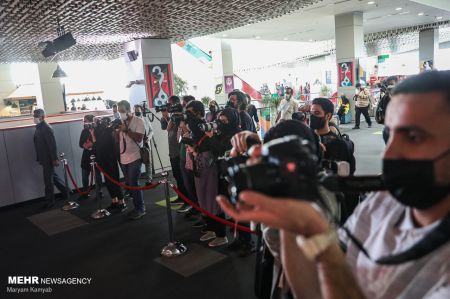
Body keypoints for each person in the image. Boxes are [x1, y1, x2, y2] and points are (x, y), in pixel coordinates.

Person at [218, 70, 450, 299]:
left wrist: (320, 241)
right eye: (389, 135)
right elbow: (318, 288)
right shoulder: (382, 204)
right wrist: (296, 226)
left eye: (414, 138)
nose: (389, 154)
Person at [185, 101, 232, 247]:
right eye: (219, 120)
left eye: (224, 121)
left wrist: (210, 137)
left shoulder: (227, 133)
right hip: (203, 168)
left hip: (213, 169)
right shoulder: (205, 130)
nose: (220, 123)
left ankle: (221, 234)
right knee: (204, 200)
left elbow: (218, 149)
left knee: (213, 201)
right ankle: (212, 229)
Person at [116, 100, 146, 220]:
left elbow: (139, 138)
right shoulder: (120, 122)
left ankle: (140, 208)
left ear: (129, 110)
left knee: (134, 184)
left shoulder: (138, 121)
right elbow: (116, 140)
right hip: (123, 158)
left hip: (135, 157)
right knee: (129, 185)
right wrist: (116, 130)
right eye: (119, 111)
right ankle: (136, 207)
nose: (120, 113)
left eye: (122, 111)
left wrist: (126, 130)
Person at [33, 108, 67, 209]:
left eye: (36, 116)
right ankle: (67, 192)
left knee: (48, 180)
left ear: (42, 117)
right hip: (44, 158)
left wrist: (54, 158)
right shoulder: (39, 127)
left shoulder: (46, 128)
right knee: (53, 177)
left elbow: (52, 145)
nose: (34, 118)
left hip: (48, 158)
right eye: (33, 116)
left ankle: (50, 201)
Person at [90, 117, 126, 212]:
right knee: (108, 182)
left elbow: (99, 146)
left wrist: (93, 137)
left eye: (100, 122)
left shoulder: (109, 132)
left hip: (110, 160)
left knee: (114, 181)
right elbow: (96, 147)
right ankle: (114, 201)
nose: (98, 124)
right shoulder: (101, 132)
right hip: (103, 161)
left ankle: (121, 202)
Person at [160, 96, 189, 205]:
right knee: (177, 176)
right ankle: (181, 196)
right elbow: (166, 128)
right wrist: (166, 117)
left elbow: (180, 130)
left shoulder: (182, 118)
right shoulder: (172, 118)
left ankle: (187, 200)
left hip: (179, 152)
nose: (169, 106)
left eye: (170, 104)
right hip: (172, 151)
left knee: (183, 178)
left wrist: (173, 117)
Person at [78, 114, 102, 200]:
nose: (84, 122)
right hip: (85, 156)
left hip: (95, 155)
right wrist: (86, 145)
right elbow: (80, 143)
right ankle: (85, 192)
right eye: (83, 121)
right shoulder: (84, 131)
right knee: (84, 175)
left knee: (97, 175)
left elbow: (96, 143)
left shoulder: (97, 130)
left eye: (85, 121)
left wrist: (90, 144)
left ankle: (99, 192)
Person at [134, 104, 153, 184]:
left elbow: (151, 130)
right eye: (135, 111)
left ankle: (149, 180)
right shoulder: (133, 121)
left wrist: (148, 137)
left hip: (146, 143)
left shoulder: (145, 119)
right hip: (137, 145)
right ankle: (135, 181)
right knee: (137, 164)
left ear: (141, 110)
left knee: (148, 162)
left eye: (138, 110)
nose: (137, 112)